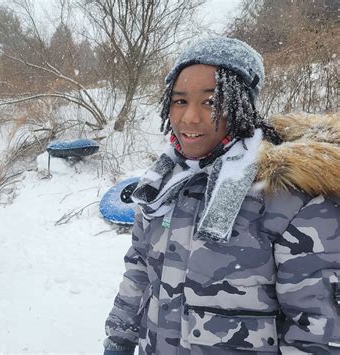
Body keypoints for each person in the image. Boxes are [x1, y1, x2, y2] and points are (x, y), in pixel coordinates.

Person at [103, 36, 340, 354]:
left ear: (242, 104)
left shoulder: (290, 199)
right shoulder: (163, 184)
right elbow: (139, 271)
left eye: (211, 102)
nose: (190, 118)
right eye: (180, 100)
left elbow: (319, 336)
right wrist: (119, 339)